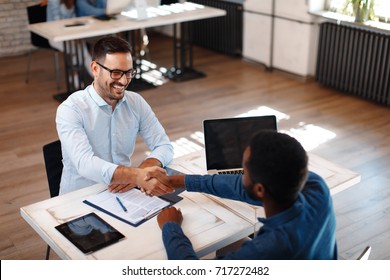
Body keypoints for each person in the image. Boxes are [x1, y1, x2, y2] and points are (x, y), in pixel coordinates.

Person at [151, 130, 338, 259]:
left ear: (259, 190)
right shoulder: (316, 186)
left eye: (245, 171)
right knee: (227, 241)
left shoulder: (267, 250)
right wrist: (182, 181)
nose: (240, 175)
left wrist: (171, 227)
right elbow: (239, 186)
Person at [56, 36, 174, 196]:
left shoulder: (136, 102)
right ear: (95, 69)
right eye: (116, 73)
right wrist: (135, 176)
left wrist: (141, 171)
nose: (124, 81)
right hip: (81, 200)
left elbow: (164, 146)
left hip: (124, 193)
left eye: (129, 72)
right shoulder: (71, 109)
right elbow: (85, 163)